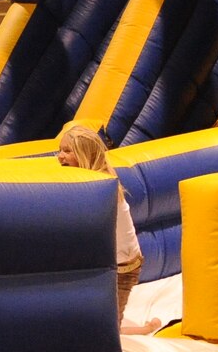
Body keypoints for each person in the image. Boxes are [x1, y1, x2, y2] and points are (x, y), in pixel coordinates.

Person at [56, 124, 160, 335]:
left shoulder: (102, 187)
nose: (59, 157)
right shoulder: (85, 183)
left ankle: (144, 329)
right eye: (59, 150)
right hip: (104, 264)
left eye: (67, 151)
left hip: (123, 267)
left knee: (107, 332)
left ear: (86, 155)